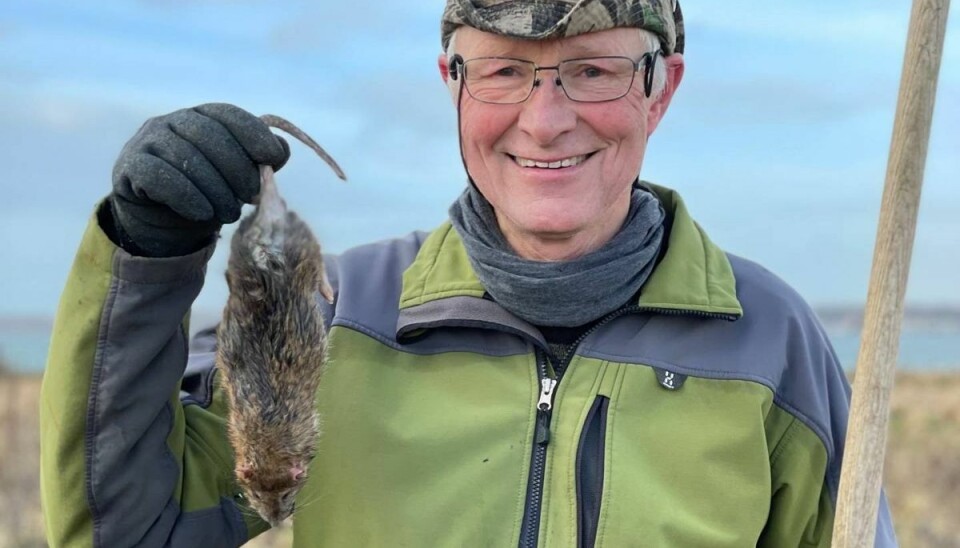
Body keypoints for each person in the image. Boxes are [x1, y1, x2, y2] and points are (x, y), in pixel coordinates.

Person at [39, 1, 899, 546]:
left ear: (660, 90)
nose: (546, 118)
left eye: (592, 70)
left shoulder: (769, 347)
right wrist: (148, 253)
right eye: (504, 72)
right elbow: (123, 526)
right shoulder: (329, 316)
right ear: (454, 84)